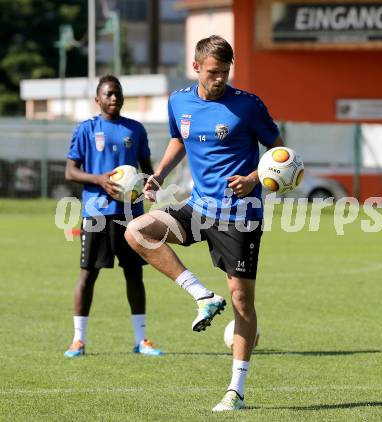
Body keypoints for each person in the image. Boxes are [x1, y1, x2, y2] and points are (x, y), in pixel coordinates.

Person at [125, 35, 283, 411]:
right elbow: (180, 139)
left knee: (242, 300)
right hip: (198, 208)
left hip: (239, 215)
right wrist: (160, 175)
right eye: (213, 72)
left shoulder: (248, 105)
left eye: (225, 72)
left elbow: (280, 152)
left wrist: (254, 179)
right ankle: (202, 295)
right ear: (196, 67)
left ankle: (236, 391)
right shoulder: (179, 100)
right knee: (137, 232)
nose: (219, 79)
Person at [64, 74, 163, 358]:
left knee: (134, 275)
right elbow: (70, 171)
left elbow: (147, 169)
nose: (113, 98)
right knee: (88, 275)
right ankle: (78, 340)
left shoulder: (135, 130)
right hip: (96, 213)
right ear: (97, 99)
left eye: (117, 93)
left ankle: (142, 340)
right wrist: (99, 180)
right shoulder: (86, 129)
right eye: (108, 94)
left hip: (130, 216)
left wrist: (147, 187)